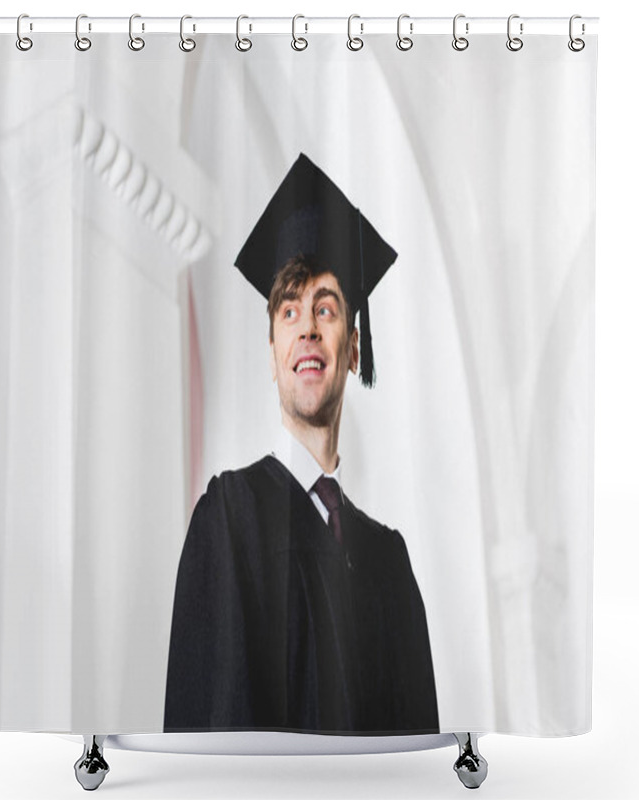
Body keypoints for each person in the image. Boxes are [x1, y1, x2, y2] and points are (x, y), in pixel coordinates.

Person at [163, 153, 438, 735]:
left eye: (326, 308)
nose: (308, 326)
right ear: (272, 355)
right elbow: (207, 733)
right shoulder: (229, 519)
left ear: (354, 349)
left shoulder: (389, 561)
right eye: (289, 311)